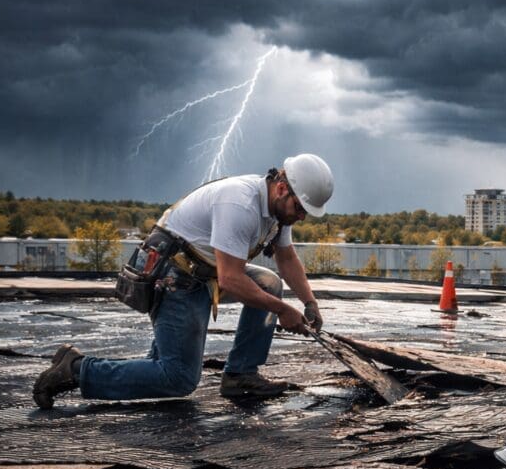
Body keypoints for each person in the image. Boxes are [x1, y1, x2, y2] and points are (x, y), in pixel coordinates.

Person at [33, 153, 334, 408]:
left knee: (269, 284)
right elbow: (230, 279)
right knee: (178, 377)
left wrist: (309, 303)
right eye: (300, 209)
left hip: (201, 272)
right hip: (173, 276)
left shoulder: (277, 213)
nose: (302, 218)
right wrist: (282, 310)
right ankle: (76, 370)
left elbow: (286, 259)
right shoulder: (241, 204)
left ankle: (241, 376)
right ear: (282, 188)